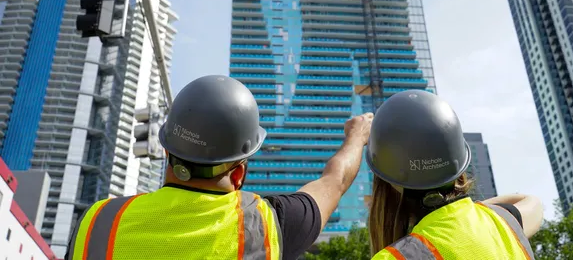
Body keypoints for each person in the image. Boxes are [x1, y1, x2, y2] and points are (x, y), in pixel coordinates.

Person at [64, 75, 373, 260]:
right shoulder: (265, 227)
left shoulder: (97, 222)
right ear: (238, 173)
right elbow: (336, 181)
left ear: (168, 151)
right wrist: (357, 136)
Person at [367, 89, 544, 259]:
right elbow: (531, 202)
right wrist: (466, 211)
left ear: (386, 182)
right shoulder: (503, 224)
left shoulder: (394, 257)